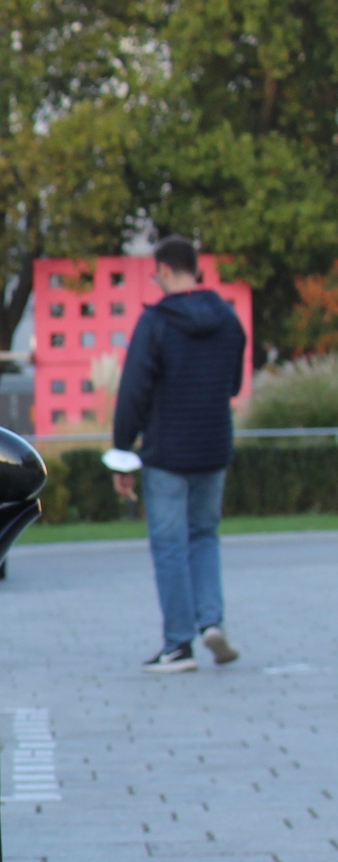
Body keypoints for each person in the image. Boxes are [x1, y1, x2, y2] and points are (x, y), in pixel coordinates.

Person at [110, 236, 247, 672]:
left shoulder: (156, 322)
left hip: (167, 450)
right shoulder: (229, 320)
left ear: (165, 271)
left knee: (170, 545)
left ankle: (178, 645)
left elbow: (133, 390)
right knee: (205, 534)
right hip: (213, 446)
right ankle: (212, 623)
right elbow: (234, 386)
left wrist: (121, 450)